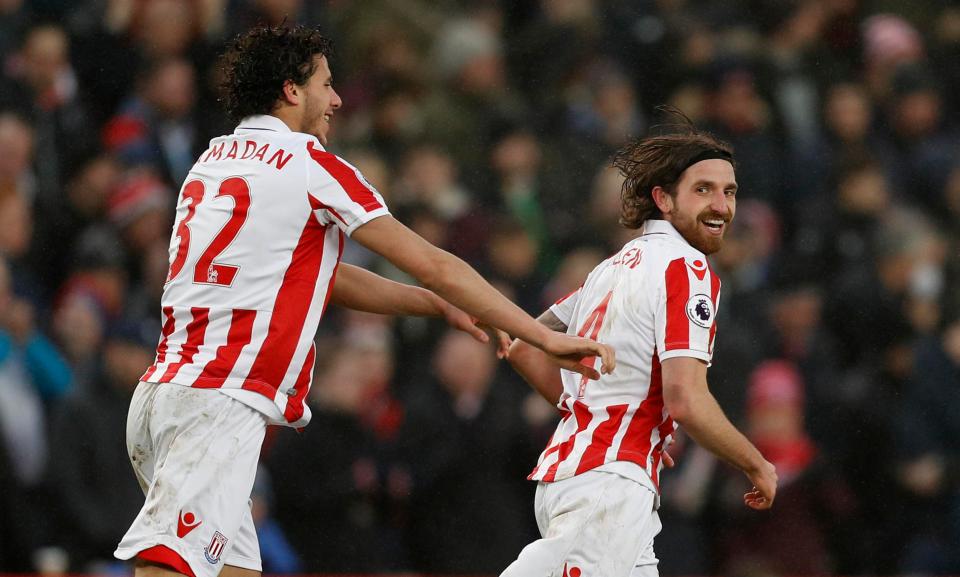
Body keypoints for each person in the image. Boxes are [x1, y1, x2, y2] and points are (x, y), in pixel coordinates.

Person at [113, 24, 614, 577]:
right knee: (167, 565)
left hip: (168, 394)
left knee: (235, 570)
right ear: (290, 90)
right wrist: (542, 336)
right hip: (219, 400)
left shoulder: (211, 162)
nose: (337, 98)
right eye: (326, 84)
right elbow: (436, 262)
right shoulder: (310, 166)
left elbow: (320, 278)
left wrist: (431, 304)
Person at [502, 115, 779, 577]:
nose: (721, 205)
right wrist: (756, 464)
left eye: (729, 192)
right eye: (703, 189)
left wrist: (600, 417)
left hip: (588, 476)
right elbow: (686, 400)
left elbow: (524, 347)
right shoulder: (686, 269)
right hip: (608, 487)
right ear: (663, 199)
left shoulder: (608, 269)